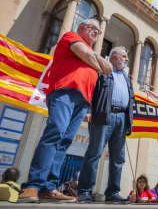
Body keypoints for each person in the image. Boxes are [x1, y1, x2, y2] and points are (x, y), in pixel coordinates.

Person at [18, 20, 112, 203]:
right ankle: (32, 186)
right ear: (82, 28)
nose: (96, 33)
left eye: (99, 31)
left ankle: (49, 188)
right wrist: (95, 59)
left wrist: (94, 58)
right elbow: (83, 53)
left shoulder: (91, 50)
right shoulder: (71, 36)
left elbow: (107, 70)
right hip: (64, 91)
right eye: (93, 28)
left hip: (83, 101)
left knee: (65, 141)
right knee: (55, 133)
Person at [77, 46, 134, 203]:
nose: (127, 59)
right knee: (94, 154)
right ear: (114, 57)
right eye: (124, 56)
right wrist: (88, 109)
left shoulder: (126, 76)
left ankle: (112, 192)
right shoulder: (101, 71)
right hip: (103, 115)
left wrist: (129, 120)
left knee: (118, 158)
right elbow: (91, 90)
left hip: (122, 118)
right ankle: (84, 191)